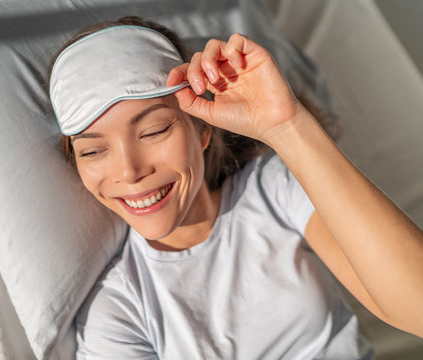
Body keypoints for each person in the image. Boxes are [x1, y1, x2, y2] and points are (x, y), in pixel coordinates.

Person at [47, 16, 423, 359]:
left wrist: (286, 127)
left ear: (202, 127)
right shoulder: (117, 310)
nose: (129, 171)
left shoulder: (273, 190)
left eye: (154, 131)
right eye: (94, 150)